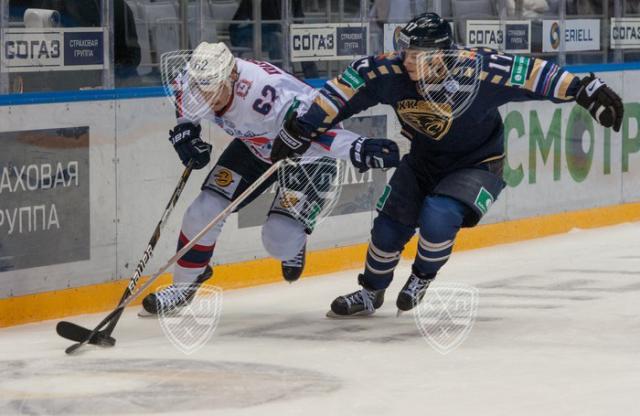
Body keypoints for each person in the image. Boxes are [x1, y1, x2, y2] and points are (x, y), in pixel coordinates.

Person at [270, 13, 624, 317]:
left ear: (441, 53)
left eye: (417, 54)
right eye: (406, 51)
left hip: (479, 163)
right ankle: (370, 292)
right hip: (424, 161)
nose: (408, 60)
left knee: (438, 216)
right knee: (387, 231)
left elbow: (532, 74)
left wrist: (584, 89)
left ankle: (422, 277)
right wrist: (302, 127)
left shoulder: (480, 69)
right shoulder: (389, 71)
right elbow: (342, 91)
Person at [141, 42, 399, 314]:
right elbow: (184, 94)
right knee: (202, 211)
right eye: (200, 89)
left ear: (232, 76)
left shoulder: (264, 95)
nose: (206, 98)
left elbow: (314, 128)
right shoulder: (197, 78)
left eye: (213, 90)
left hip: (307, 153)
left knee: (279, 241)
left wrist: (357, 147)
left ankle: (295, 240)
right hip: (255, 143)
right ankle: (184, 286)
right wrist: (187, 131)